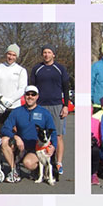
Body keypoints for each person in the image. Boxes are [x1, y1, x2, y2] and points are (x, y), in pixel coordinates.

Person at [0, 84, 58, 183]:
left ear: (37, 96)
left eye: (33, 94)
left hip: (37, 148)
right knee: (4, 140)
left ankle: (37, 170)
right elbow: (5, 128)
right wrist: (16, 137)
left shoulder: (44, 113)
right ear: (24, 96)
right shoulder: (17, 111)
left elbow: (53, 131)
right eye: (28, 94)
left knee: (28, 163)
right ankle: (14, 170)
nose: (30, 96)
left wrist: (54, 146)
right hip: (21, 145)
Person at [29, 46, 70, 175]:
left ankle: (58, 163)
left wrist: (66, 105)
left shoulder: (60, 69)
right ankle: (38, 164)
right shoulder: (37, 69)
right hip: (40, 106)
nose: (46, 55)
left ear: (54, 55)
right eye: (44, 53)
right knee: (38, 135)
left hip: (57, 105)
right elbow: (31, 88)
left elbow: (66, 88)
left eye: (49, 52)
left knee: (58, 136)